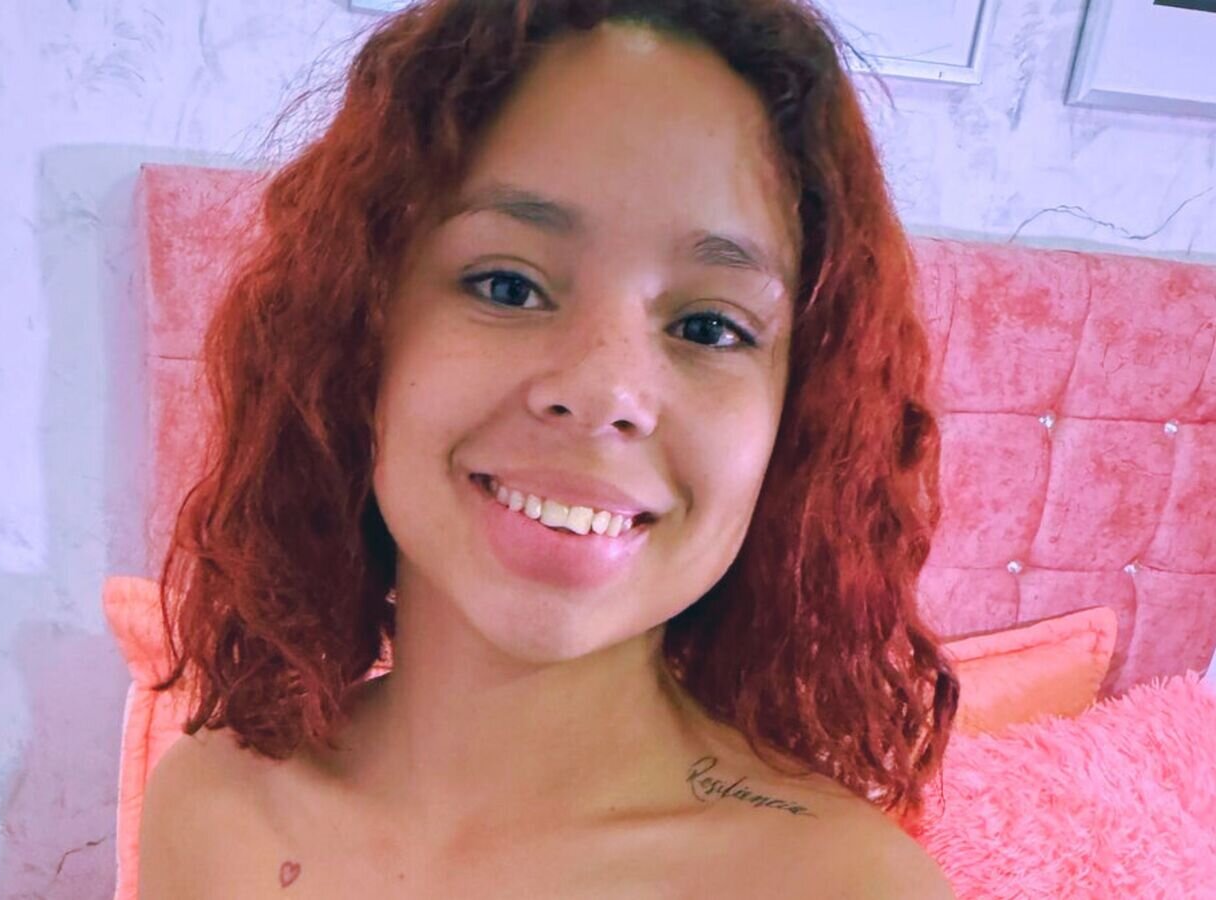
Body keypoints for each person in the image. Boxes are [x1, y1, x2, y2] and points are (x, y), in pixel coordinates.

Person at [137, 0, 960, 896]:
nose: (604, 391)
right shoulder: (212, 806)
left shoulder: (848, 885)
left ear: (798, 424)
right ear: (355, 333)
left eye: (708, 327)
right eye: (507, 285)